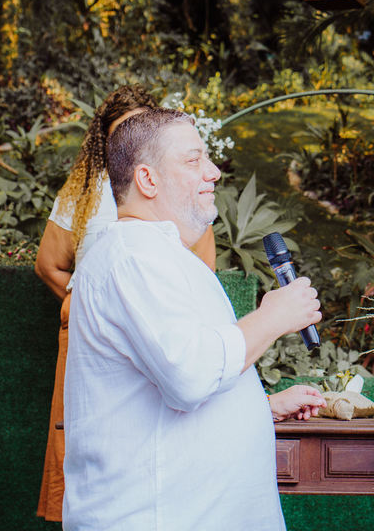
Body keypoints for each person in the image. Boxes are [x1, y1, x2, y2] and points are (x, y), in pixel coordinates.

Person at [62, 108, 324, 531]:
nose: (214, 172)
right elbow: (190, 374)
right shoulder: (133, 257)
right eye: (193, 160)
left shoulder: (162, 255)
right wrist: (274, 316)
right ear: (148, 180)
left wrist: (259, 407)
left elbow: (168, 378)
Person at [34, 85, 217, 522]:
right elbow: (48, 265)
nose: (128, 138)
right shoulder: (82, 190)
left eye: (138, 127)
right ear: (104, 139)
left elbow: (202, 270)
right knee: (84, 435)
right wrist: (91, 306)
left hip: (162, 330)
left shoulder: (175, 191)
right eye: (119, 131)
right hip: (93, 337)